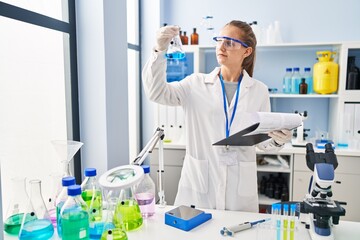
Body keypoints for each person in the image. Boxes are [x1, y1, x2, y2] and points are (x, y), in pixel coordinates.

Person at [142, 20, 292, 212]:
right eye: (219, 40)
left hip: (239, 193)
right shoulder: (195, 84)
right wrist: (158, 50)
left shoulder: (259, 91)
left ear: (247, 51)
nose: (221, 47)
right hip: (199, 188)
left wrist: (278, 140)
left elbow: (261, 142)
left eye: (229, 42)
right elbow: (156, 93)